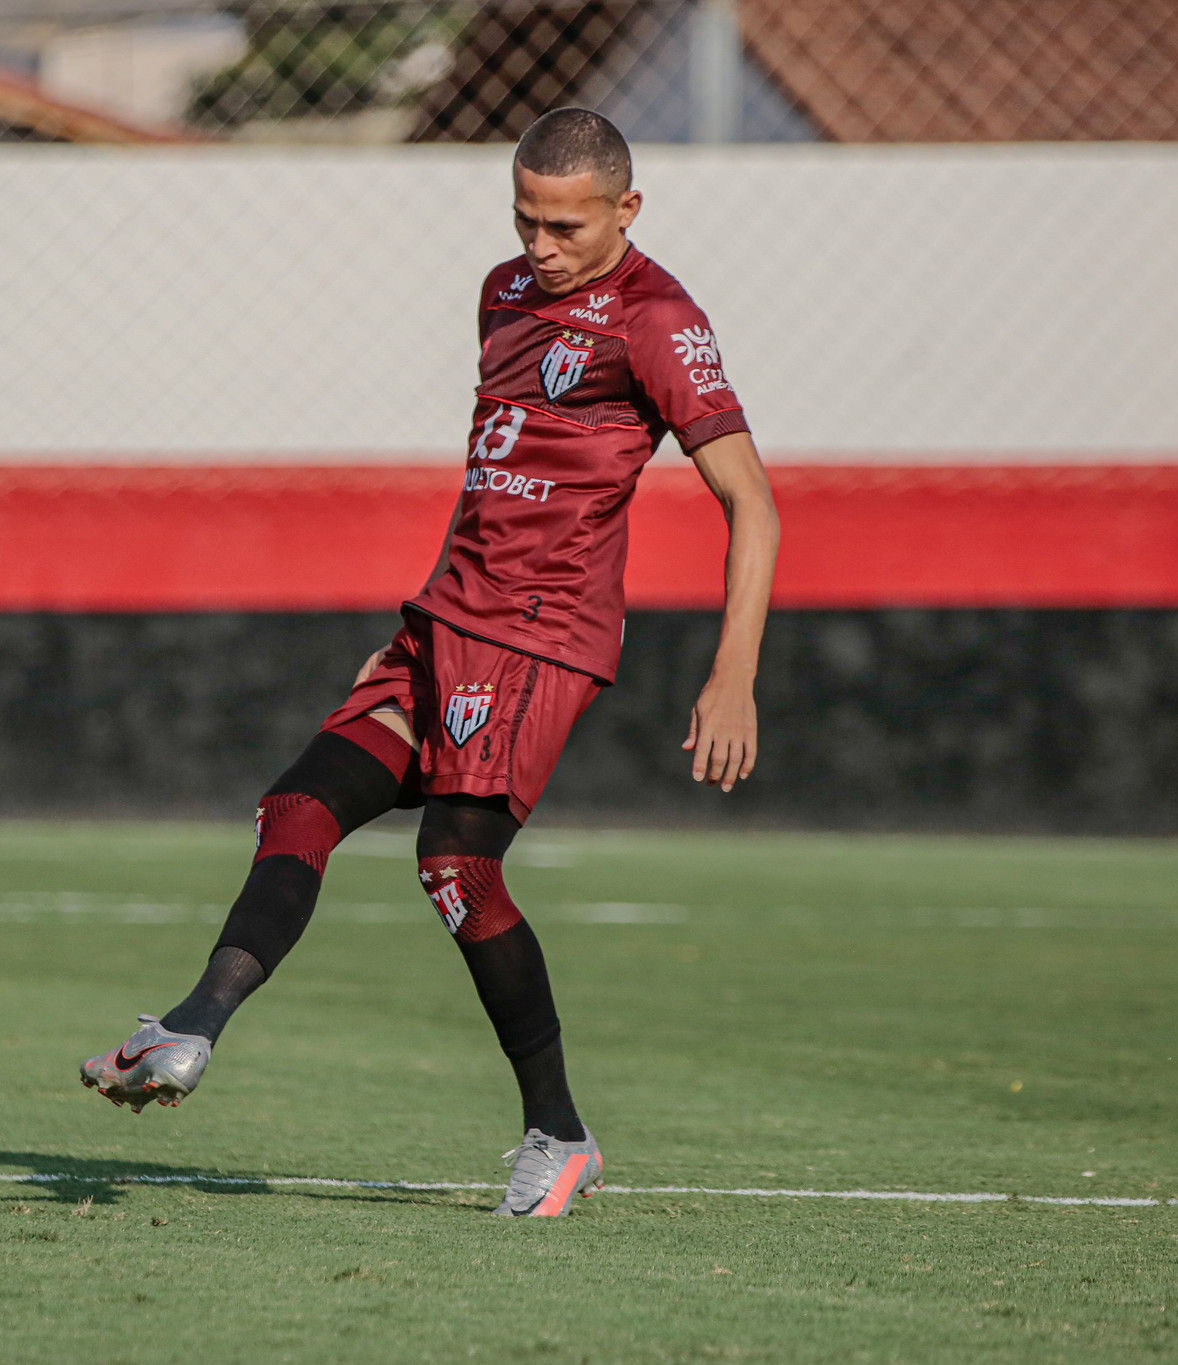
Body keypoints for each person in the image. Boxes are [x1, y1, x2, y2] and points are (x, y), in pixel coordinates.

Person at [81, 107, 778, 1217]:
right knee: (298, 805)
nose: (539, 244)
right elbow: (494, 467)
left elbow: (752, 501)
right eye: (524, 217)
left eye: (565, 224)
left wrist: (731, 670)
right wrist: (431, 614)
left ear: (625, 211)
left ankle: (557, 1133)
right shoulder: (502, 293)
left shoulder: (656, 320)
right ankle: (191, 1024)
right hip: (443, 622)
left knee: (456, 869)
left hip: (536, 638)